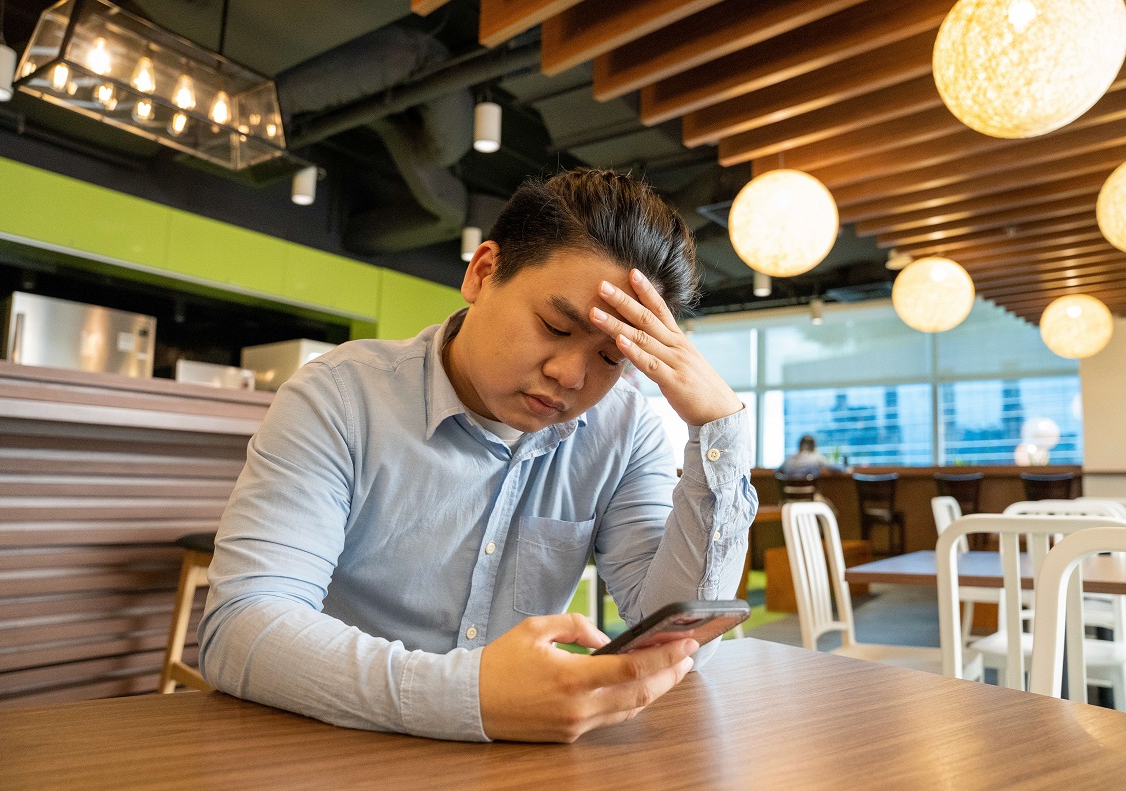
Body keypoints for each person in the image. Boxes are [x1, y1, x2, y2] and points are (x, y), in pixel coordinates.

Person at [198, 168, 757, 744]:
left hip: (517, 762)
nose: (570, 374)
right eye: (554, 326)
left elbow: (672, 633)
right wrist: (469, 698)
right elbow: (242, 628)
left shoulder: (626, 431)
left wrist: (721, 432)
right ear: (483, 272)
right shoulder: (339, 398)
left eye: (613, 359)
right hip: (332, 744)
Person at [778, 434, 844, 478]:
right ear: (813, 446)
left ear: (799, 445)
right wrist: (845, 468)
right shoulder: (816, 457)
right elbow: (833, 467)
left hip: (789, 496)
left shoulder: (788, 459)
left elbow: (778, 471)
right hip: (809, 496)